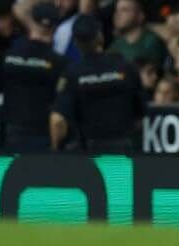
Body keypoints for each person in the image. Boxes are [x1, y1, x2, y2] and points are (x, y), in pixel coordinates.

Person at [0, 1, 67, 151]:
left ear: (31, 22)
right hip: (44, 137)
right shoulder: (61, 63)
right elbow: (58, 118)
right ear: (55, 26)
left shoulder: (8, 56)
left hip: (13, 137)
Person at [50, 14, 146, 152]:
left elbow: (57, 120)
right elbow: (140, 114)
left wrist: (55, 149)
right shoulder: (125, 66)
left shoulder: (73, 73)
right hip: (122, 147)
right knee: (118, 175)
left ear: (76, 43)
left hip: (88, 151)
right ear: (100, 36)